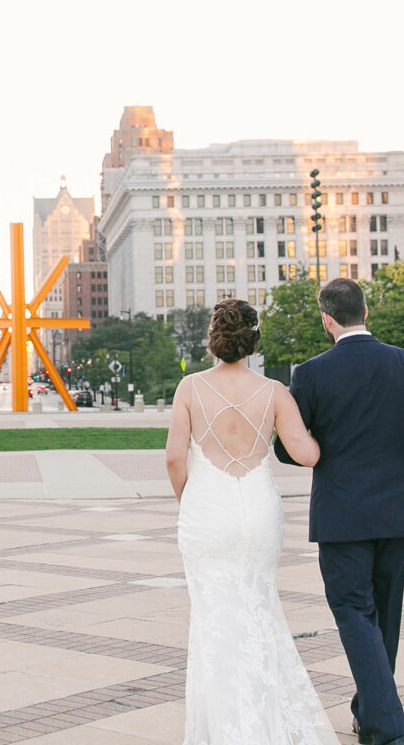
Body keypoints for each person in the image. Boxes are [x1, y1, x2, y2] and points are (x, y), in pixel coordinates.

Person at [278, 278, 404, 745]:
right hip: (398, 513)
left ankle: (389, 730)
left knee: (355, 614)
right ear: (365, 312)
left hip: (341, 517)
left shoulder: (311, 374)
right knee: (384, 616)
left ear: (326, 319)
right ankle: (368, 710)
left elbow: (286, 450)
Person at [165, 298, 337, 744]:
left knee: (212, 620)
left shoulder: (189, 388)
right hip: (258, 511)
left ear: (213, 340)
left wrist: (191, 499)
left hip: (207, 511)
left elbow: (173, 458)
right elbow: (307, 453)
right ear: (253, 342)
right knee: (259, 608)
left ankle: (221, 729)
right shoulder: (275, 391)